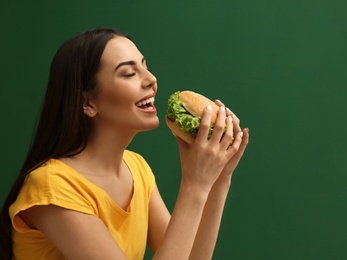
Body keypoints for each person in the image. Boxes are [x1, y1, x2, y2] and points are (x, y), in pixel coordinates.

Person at [0, 27, 249, 259]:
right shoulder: (52, 187)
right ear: (88, 103)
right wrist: (194, 185)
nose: (151, 79)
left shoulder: (136, 168)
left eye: (145, 66)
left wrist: (219, 178)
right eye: (129, 73)